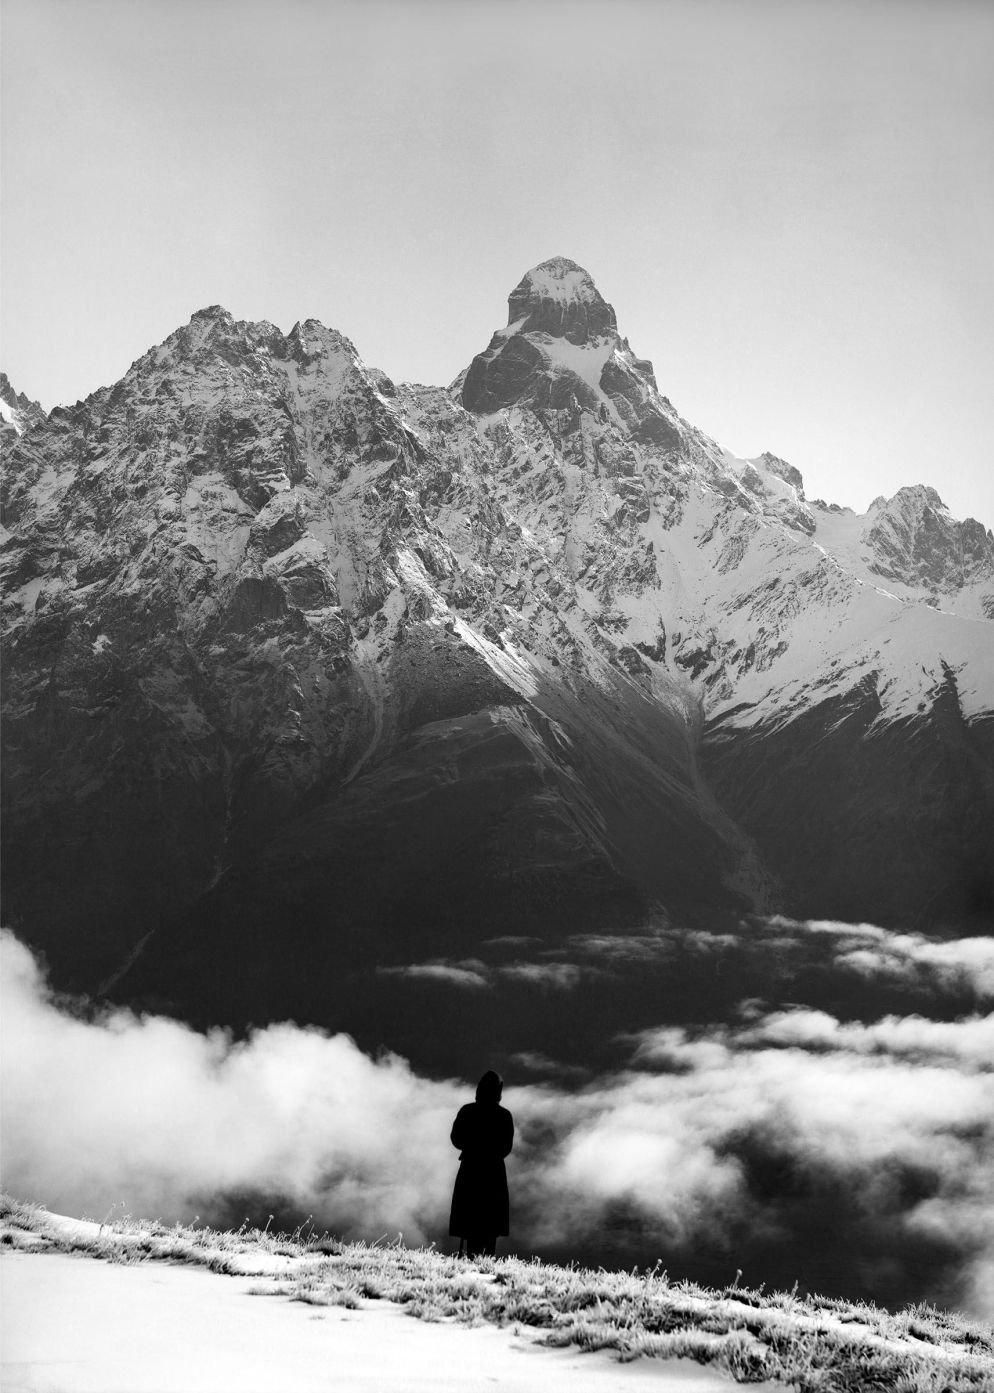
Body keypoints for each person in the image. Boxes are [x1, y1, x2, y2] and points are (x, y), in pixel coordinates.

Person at [448, 1070, 513, 1258]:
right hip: (493, 1172)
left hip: (471, 1168)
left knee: (471, 1218)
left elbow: (456, 1139)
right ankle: (486, 1260)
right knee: (490, 1221)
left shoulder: (467, 1111)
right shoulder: (504, 1115)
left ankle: (474, 1258)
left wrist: (473, 1146)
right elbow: (505, 1147)